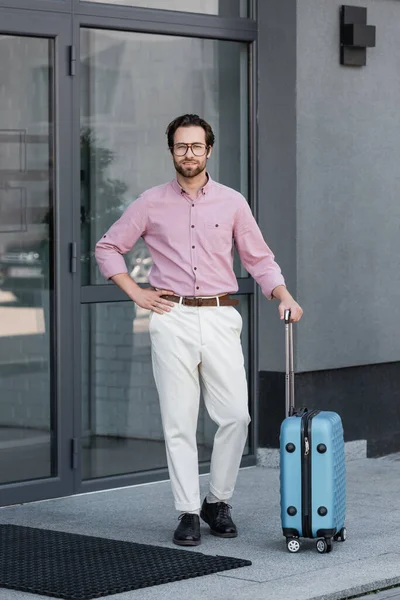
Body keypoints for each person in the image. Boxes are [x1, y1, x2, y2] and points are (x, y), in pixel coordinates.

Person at [95, 114, 303, 546]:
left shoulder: (231, 202)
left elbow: (258, 258)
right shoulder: (150, 203)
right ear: (171, 150)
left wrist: (282, 294)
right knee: (178, 422)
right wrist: (136, 292)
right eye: (180, 146)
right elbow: (108, 247)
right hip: (172, 318)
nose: (188, 154)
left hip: (220, 315)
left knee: (235, 417)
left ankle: (217, 501)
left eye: (196, 146)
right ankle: (188, 511)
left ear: (209, 150)